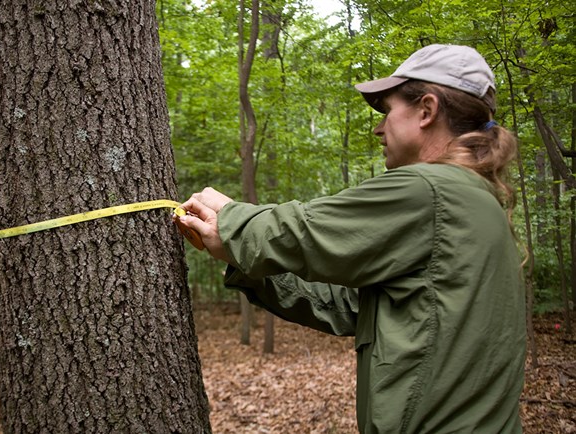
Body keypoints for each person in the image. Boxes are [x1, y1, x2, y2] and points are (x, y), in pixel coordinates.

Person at [175, 44, 525, 433]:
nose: (378, 127)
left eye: (388, 111)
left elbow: (305, 231)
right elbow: (352, 306)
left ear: (427, 110)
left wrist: (230, 218)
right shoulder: (473, 198)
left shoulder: (433, 190)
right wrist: (241, 259)